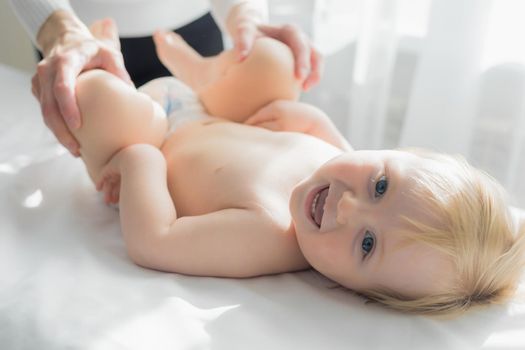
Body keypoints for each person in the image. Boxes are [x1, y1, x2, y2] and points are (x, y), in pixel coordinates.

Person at [71, 19, 524, 316]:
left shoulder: (267, 235)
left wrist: (138, 163)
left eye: (367, 244)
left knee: (97, 100)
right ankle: (204, 72)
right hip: (209, 109)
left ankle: (109, 72)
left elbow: (158, 241)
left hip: (152, 138)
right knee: (277, 63)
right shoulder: (337, 162)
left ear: (357, 291)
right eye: (382, 185)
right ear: (399, 150)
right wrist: (311, 119)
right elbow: (327, 138)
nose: (346, 208)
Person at [9, 0, 323, 159]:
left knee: (275, 63)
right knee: (100, 104)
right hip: (77, 38)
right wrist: (59, 30)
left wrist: (247, 16)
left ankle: (202, 72)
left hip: (193, 24)